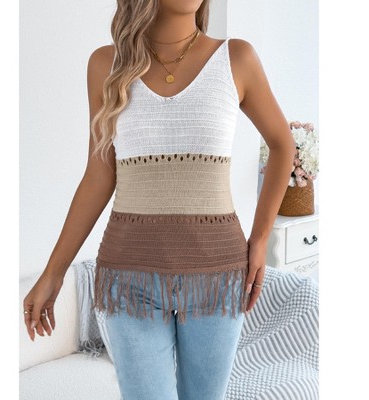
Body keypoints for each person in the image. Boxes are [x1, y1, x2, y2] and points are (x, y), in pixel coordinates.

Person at [22, 1, 295, 399]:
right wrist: (54, 272)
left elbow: (283, 145)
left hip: (216, 274)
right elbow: (99, 176)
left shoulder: (236, 58)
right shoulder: (106, 65)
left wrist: (260, 239)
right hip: (129, 275)